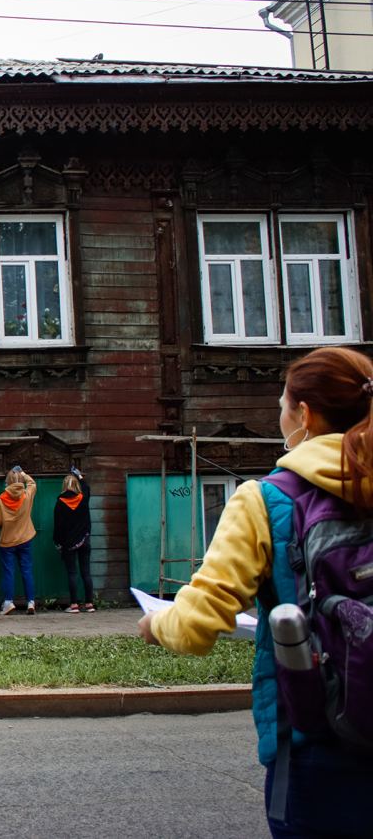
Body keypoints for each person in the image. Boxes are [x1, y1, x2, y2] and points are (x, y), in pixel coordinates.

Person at [139, 346, 373, 838]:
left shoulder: (266, 499)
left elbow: (196, 626)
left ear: (304, 416)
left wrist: (157, 623)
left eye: (283, 407)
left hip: (319, 736)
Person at [0, 465, 37, 615]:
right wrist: (23, 473)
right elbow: (32, 483)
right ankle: (31, 602)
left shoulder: (0, 499)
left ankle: (8, 602)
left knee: (8, 572)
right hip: (25, 539)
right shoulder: (26, 495)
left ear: (8, 481)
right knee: (26, 570)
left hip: (7, 541)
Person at [52, 466, 94, 613]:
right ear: (76, 485)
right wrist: (80, 477)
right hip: (85, 540)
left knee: (72, 573)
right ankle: (89, 604)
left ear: (64, 486)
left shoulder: (60, 503)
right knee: (86, 572)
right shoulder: (83, 498)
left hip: (69, 544)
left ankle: (74, 605)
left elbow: (58, 527)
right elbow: (86, 488)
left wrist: (57, 543)